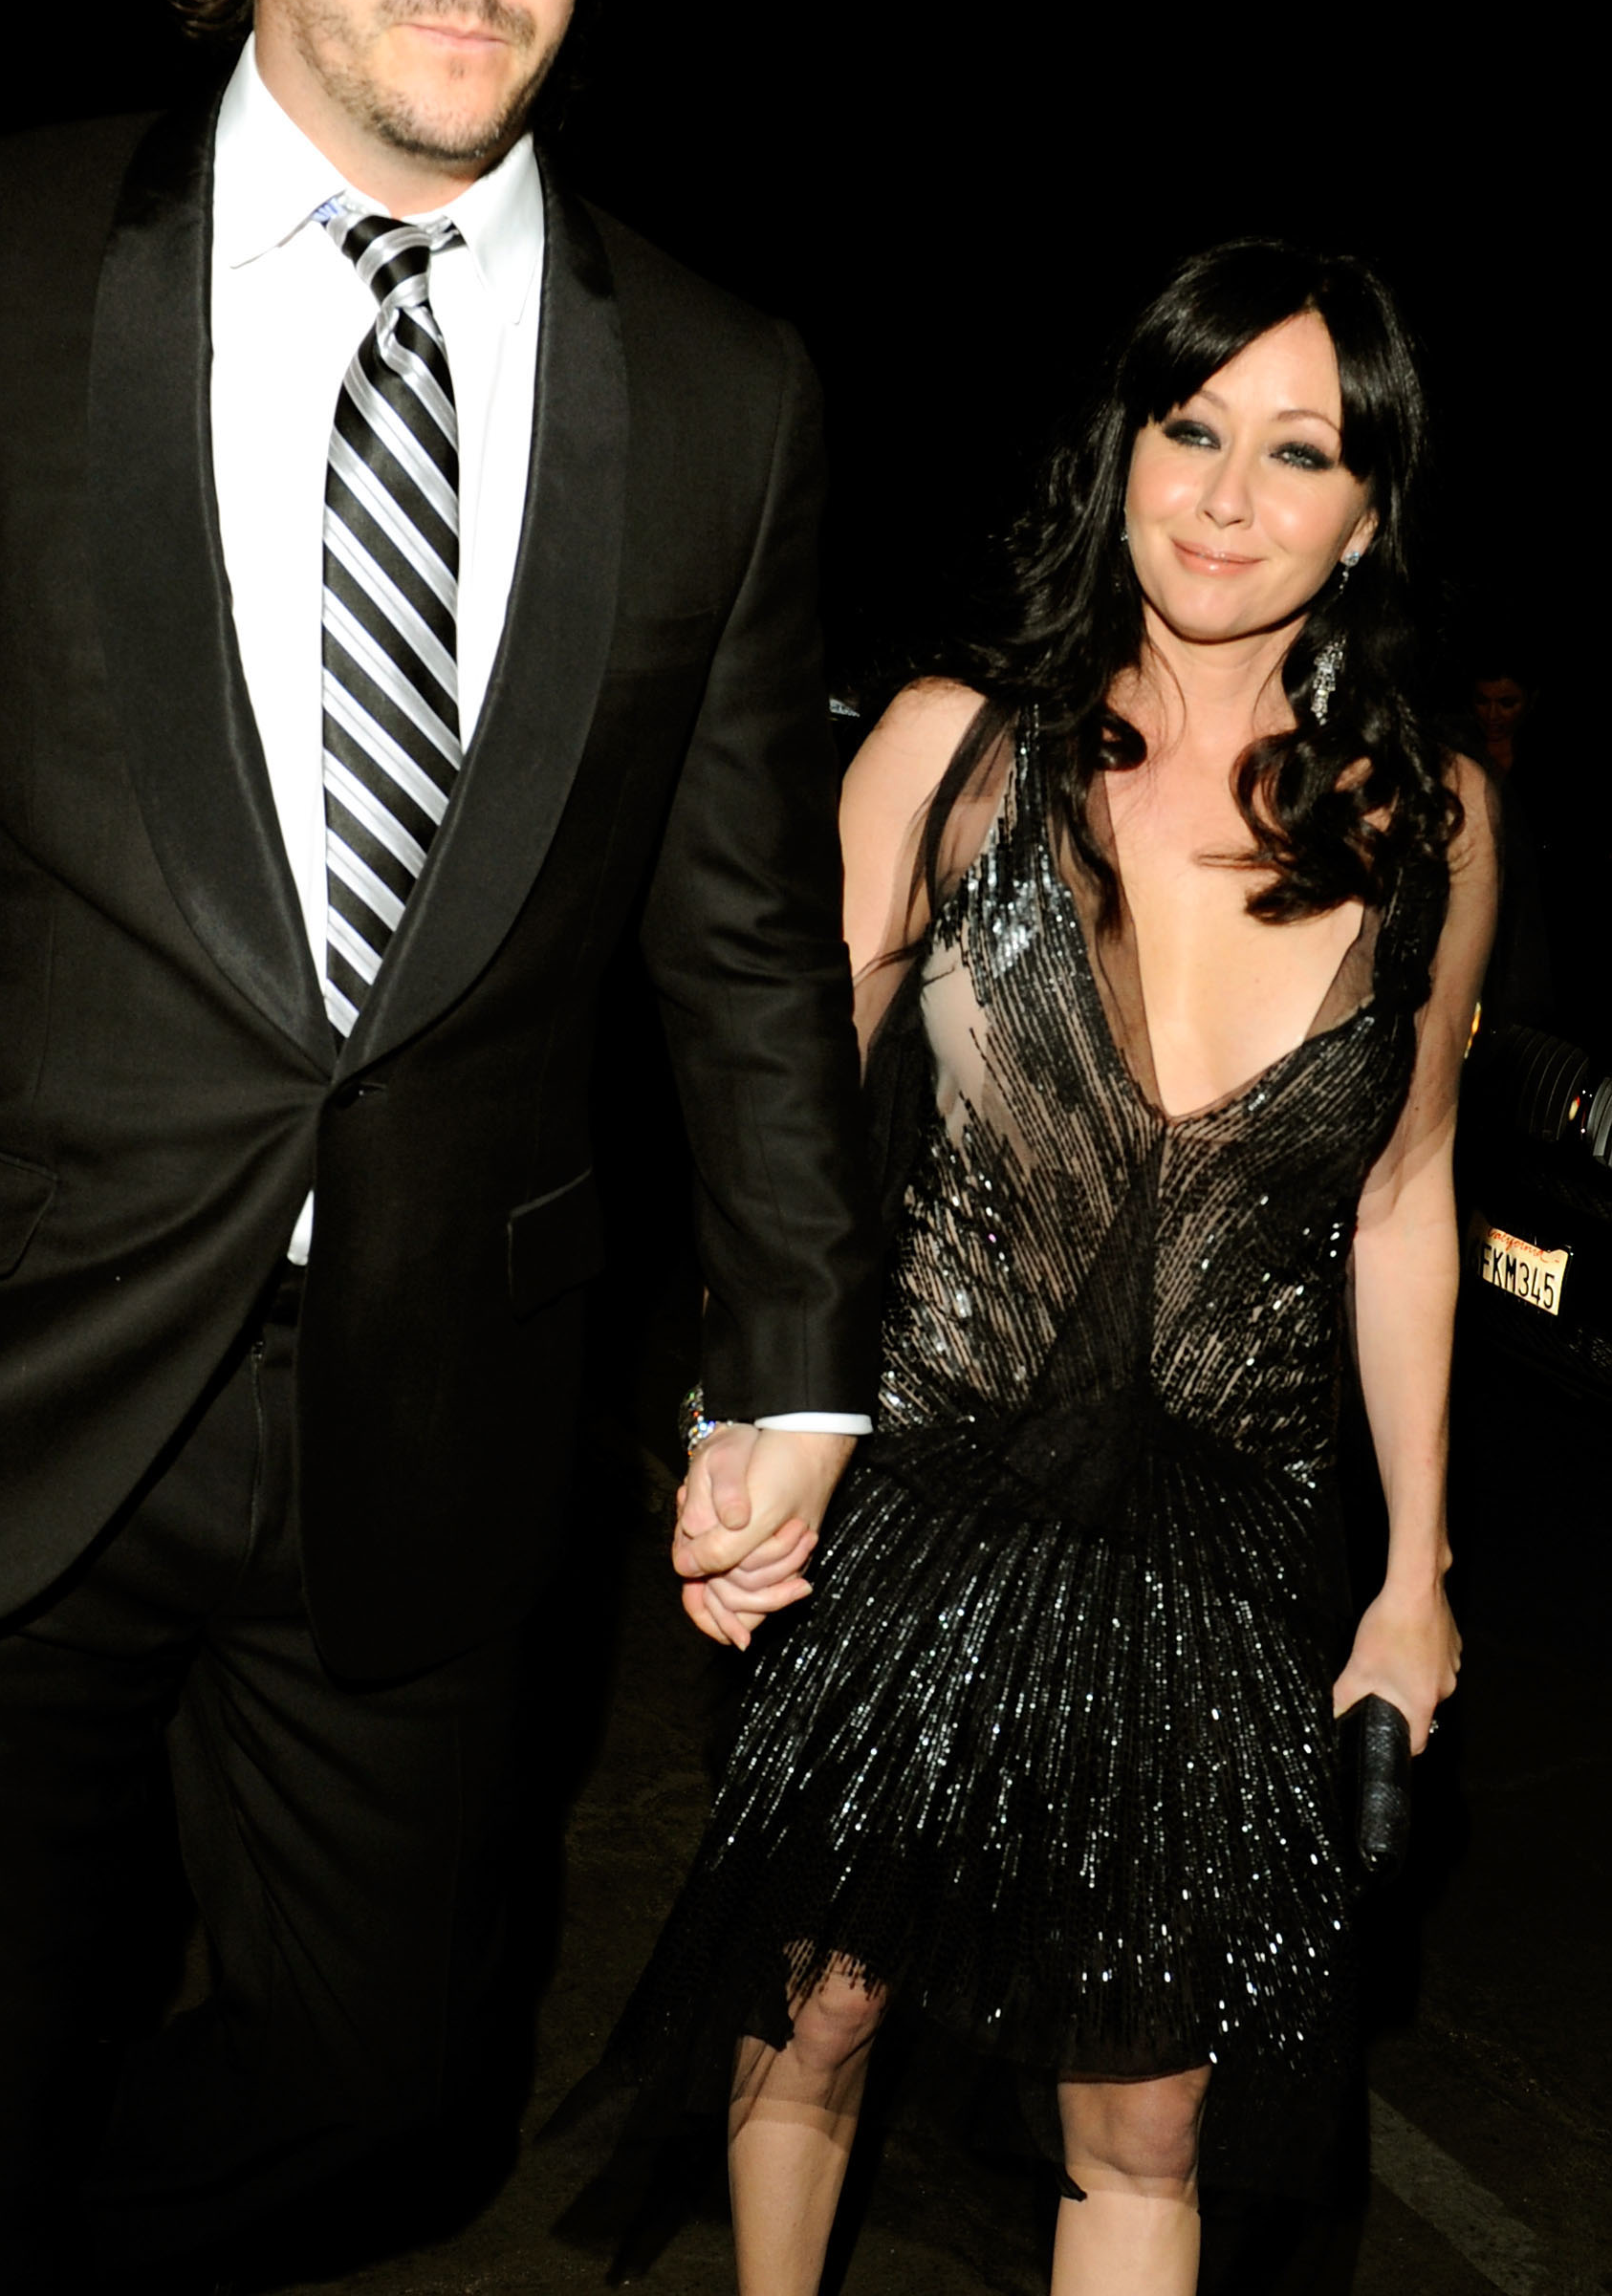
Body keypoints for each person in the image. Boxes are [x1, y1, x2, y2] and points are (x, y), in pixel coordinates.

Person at [0, 0, 879, 2289]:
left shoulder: (720, 396)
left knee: (396, 2100)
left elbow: (736, 939)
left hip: (422, 1445)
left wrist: (797, 1363)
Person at [600, 241, 1495, 2295]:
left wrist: (1416, 1571)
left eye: (1299, 452)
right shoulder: (950, 752)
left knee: (1150, 2107)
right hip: (918, 1492)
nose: (1224, 494)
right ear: (1124, 449)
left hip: (1215, 1553)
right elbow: (784, 1129)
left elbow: (1405, 1199)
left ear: (1370, 509)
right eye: (1190, 429)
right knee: (815, 2004)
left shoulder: (1432, 824)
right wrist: (746, 1410)